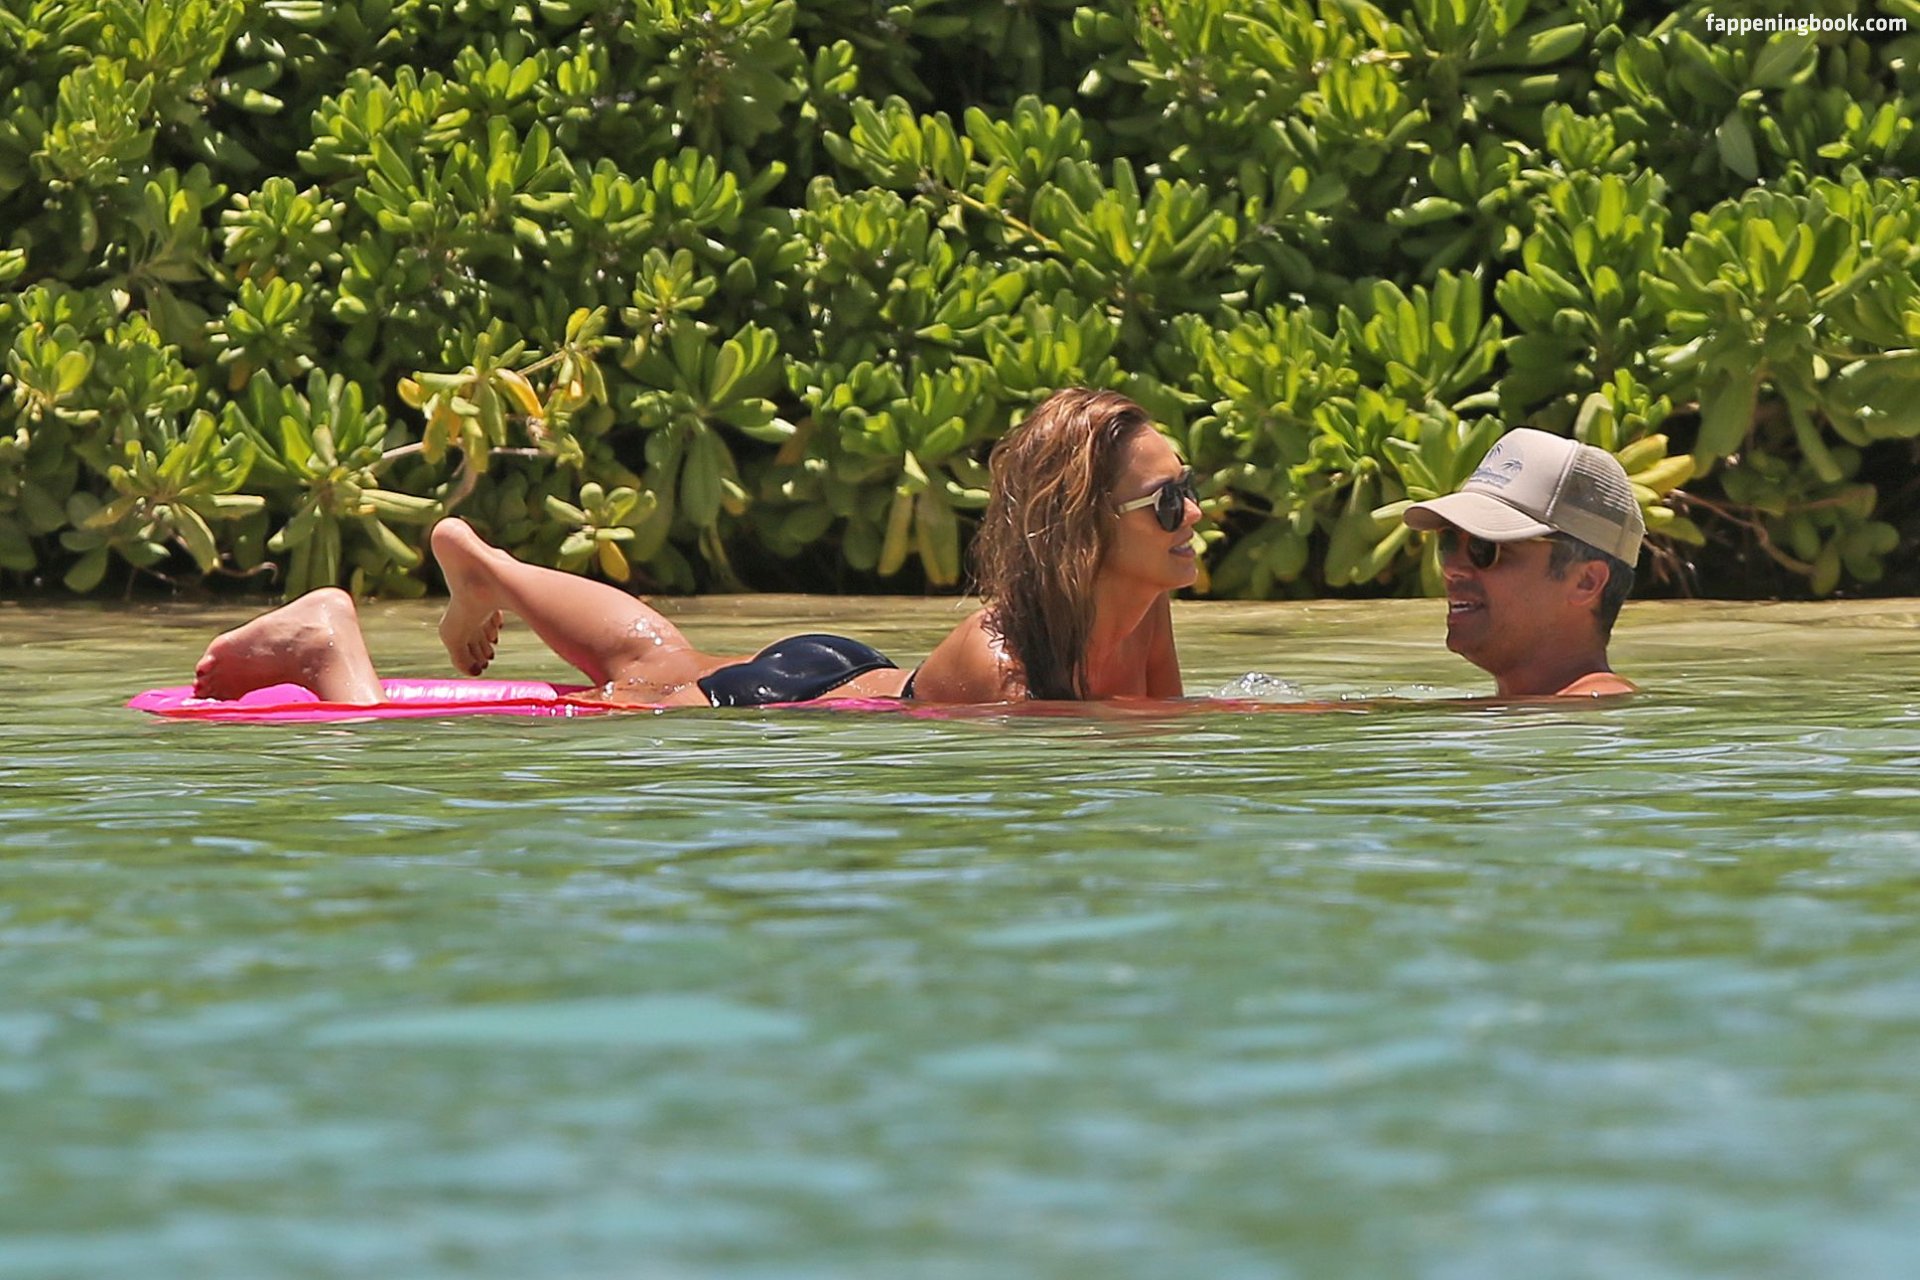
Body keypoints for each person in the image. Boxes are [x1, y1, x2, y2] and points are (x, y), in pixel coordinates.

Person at [190, 387, 1199, 707]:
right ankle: (328, 645)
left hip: (843, 672)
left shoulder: (1140, 612)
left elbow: (1160, 724)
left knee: (658, 653)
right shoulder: (997, 664)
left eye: (1188, 491)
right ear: (1082, 531)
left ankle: (488, 569)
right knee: (635, 689)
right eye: (1166, 502)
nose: (1193, 514)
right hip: (776, 710)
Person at [1401, 427, 1643, 698]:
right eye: (1448, 542)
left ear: (1585, 582)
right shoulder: (1532, 710)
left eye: (1484, 548)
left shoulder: (1592, 706)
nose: (1451, 569)